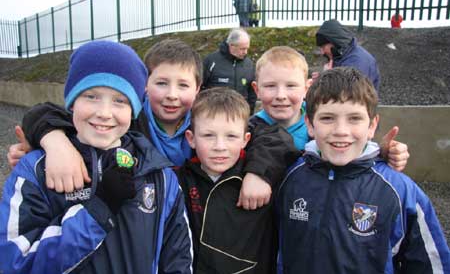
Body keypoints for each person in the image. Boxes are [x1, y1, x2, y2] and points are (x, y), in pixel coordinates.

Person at [7, 38, 285, 211]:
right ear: (144, 86)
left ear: (199, 88)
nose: (172, 94)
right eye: (161, 83)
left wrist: (258, 173)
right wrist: (54, 142)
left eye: (183, 85)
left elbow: (270, 135)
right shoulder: (128, 120)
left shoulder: (209, 118)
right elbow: (42, 113)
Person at [0, 40, 193, 273]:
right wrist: (97, 211)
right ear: (71, 102)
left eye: (120, 101)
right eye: (91, 96)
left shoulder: (159, 174)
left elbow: (177, 258)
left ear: (134, 108)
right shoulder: (36, 170)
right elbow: (13, 263)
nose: (104, 113)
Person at [276, 67, 450, 273]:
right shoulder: (290, 176)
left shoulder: (400, 190)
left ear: (372, 126)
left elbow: (431, 265)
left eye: (354, 118)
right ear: (310, 125)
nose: (341, 131)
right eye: (327, 118)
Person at [177, 87, 286, 273]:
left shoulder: (262, 178)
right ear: (191, 138)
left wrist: (259, 174)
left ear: (246, 139)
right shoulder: (178, 182)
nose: (220, 147)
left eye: (231, 136)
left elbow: (280, 141)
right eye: (208, 135)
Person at [250, 46, 409, 171]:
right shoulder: (246, 131)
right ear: (257, 90)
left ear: (307, 88)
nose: (281, 95)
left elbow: (353, 149)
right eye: (270, 86)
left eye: (291, 86)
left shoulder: (323, 120)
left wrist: (383, 155)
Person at [315, 19, 380, 92]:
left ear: (334, 42)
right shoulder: (345, 55)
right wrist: (321, 78)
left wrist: (326, 78)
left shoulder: (356, 61)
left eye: (323, 47)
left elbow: (347, 94)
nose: (322, 52)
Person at [202, 28, 257, 114]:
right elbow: (199, 87)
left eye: (247, 49)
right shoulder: (211, 61)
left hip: (240, 116)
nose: (245, 52)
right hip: (213, 114)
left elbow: (252, 93)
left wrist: (250, 114)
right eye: (242, 49)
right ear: (231, 46)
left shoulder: (249, 64)